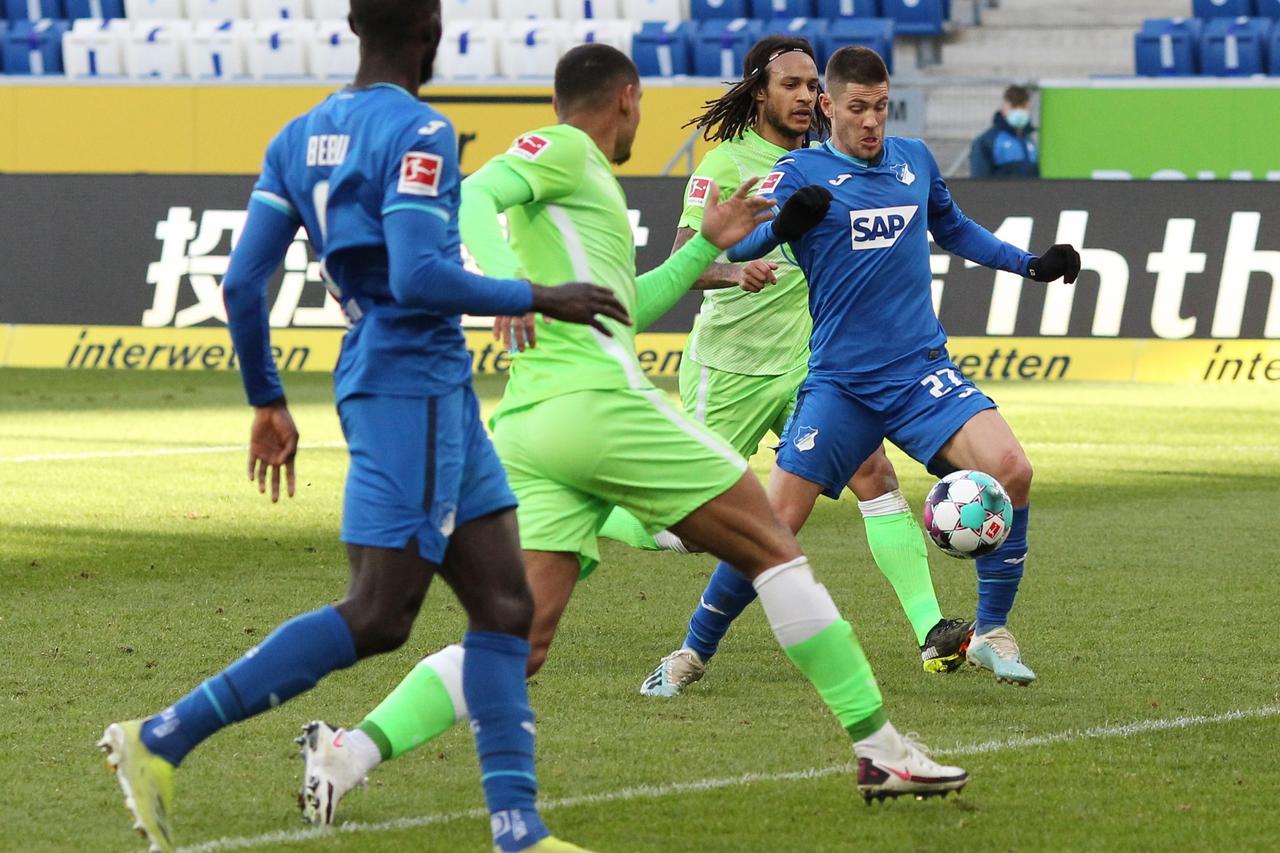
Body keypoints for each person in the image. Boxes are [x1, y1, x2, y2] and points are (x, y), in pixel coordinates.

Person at [294, 42, 968, 830]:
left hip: (533, 428)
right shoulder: (568, 151)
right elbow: (474, 194)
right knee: (774, 547)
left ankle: (349, 751)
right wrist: (513, 284)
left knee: (521, 640)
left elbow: (628, 306)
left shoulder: (589, 203)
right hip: (599, 410)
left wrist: (707, 242)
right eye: (639, 105)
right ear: (625, 97)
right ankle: (881, 746)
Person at [96, 3, 628, 852]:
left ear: (353, 23)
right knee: (380, 611)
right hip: (409, 381)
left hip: (421, 385)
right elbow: (419, 274)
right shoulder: (420, 130)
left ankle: (519, 830)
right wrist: (540, 293)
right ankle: (162, 737)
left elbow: (241, 284)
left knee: (503, 602)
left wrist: (266, 399)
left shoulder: (298, 135)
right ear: (431, 31)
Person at [589, 36, 972, 699]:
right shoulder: (729, 164)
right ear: (760, 92)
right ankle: (593, 508)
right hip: (731, 369)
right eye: (788, 85)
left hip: (811, 366)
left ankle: (931, 628)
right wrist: (736, 268)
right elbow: (686, 259)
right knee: (692, 531)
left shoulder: (834, 160)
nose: (802, 98)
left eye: (808, 86)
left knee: (874, 472)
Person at [721, 46, 1080, 688]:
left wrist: (1031, 265)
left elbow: (955, 228)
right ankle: (691, 651)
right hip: (843, 385)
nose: (871, 121)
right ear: (829, 107)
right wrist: (781, 229)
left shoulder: (913, 160)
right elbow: (739, 244)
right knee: (774, 528)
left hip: (920, 373)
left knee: (1013, 471)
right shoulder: (798, 169)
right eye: (857, 108)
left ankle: (992, 635)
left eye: (881, 107)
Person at [969, 84, 1039, 178]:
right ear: (1004, 107)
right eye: (1014, 106)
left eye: (1022, 107)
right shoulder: (987, 141)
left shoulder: (1030, 142)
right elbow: (979, 182)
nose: (1019, 111)